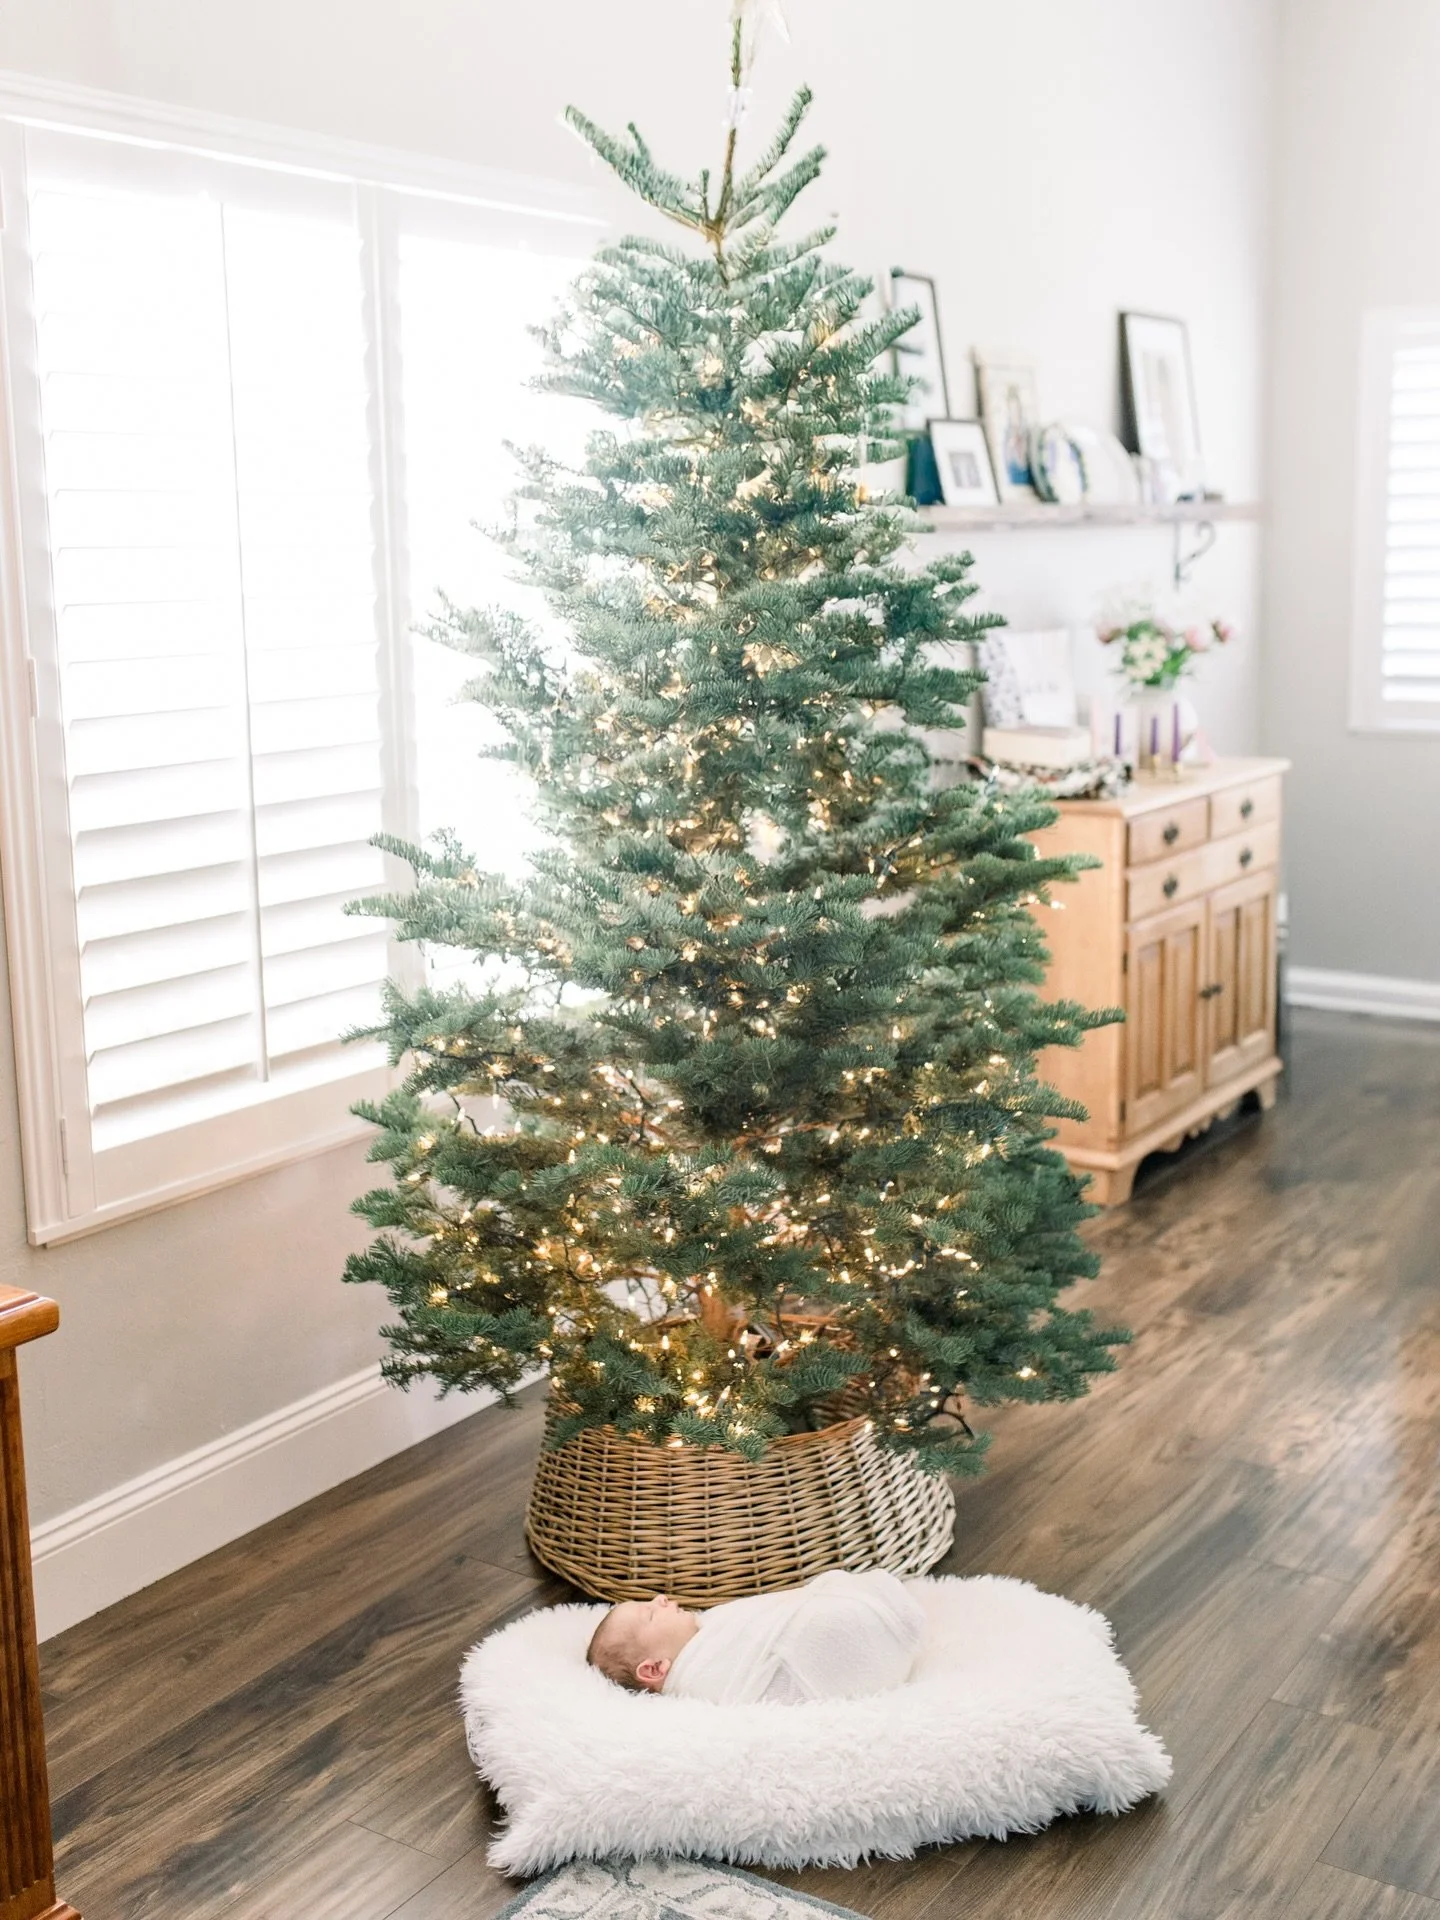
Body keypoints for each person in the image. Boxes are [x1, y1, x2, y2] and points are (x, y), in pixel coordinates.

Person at [584, 1568, 925, 1704]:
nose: (659, 1598)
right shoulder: (703, 1679)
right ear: (655, 1668)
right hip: (851, 1651)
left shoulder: (708, 1629)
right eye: (650, 1614)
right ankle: (877, 1618)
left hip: (841, 1634)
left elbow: (764, 1616)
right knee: (827, 1620)